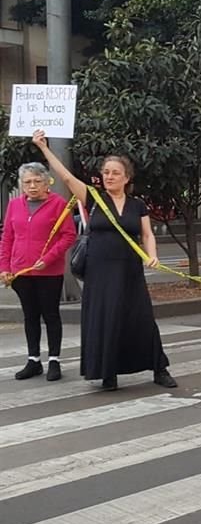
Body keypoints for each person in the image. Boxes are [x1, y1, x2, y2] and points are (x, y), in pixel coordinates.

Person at [31, 130, 177, 390]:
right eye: (106, 172)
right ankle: (108, 372)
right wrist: (44, 148)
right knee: (106, 320)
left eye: (115, 173)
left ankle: (159, 368)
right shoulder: (93, 197)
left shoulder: (137, 204)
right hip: (100, 273)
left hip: (130, 270)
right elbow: (65, 175)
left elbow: (147, 234)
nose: (109, 176)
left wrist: (152, 255)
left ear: (127, 177)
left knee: (141, 319)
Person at [0, 162, 77, 381]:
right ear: (22, 185)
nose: (32, 186)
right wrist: (4, 267)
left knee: (50, 315)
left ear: (46, 183)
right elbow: (7, 237)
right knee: (30, 316)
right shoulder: (14, 205)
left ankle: (54, 360)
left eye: (37, 181)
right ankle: (33, 360)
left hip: (49, 272)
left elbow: (68, 235)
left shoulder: (59, 204)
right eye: (27, 182)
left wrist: (49, 258)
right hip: (21, 272)